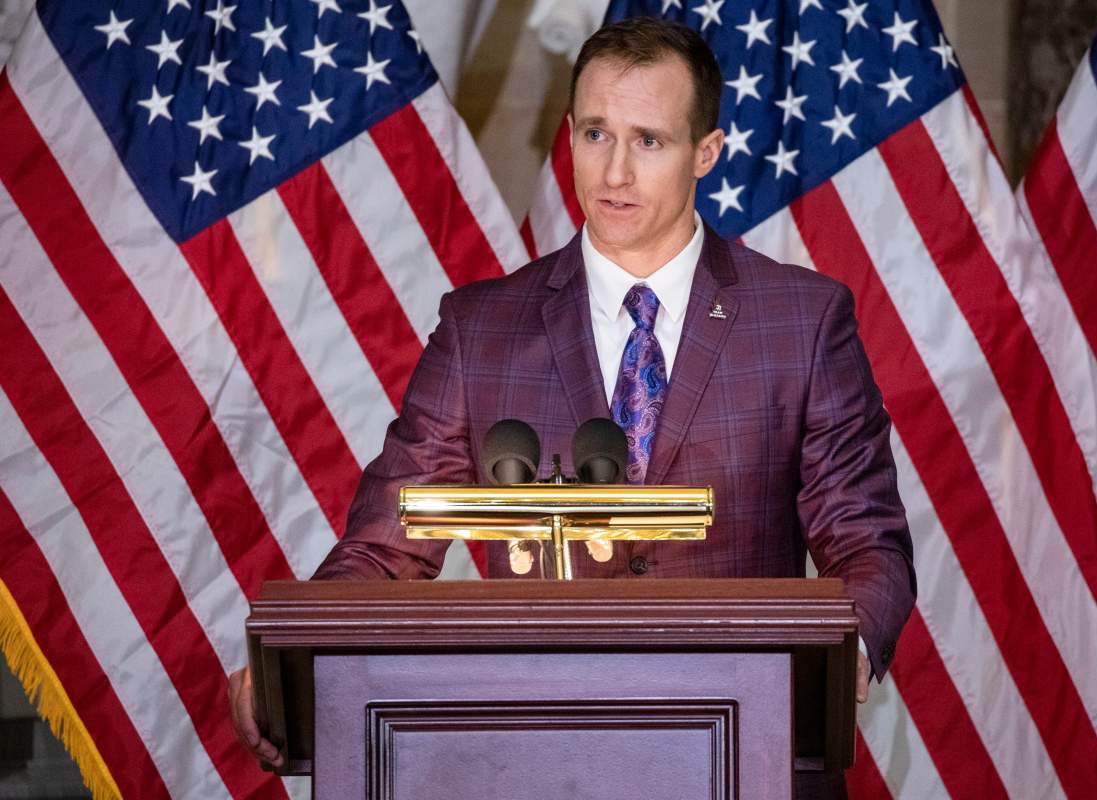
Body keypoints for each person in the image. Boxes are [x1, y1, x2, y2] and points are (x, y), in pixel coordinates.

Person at [229, 17, 915, 797]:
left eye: (649, 141)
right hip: (530, 766)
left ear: (707, 153)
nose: (615, 171)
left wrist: (839, 656)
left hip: (748, 754)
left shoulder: (802, 321)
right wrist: (291, 663)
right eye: (596, 133)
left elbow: (867, 544)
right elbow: (387, 548)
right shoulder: (479, 329)